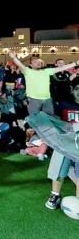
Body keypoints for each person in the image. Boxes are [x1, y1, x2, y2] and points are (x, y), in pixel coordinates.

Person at [44, 77, 79, 210]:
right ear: (72, 90)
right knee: (58, 168)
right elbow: (56, 122)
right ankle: (55, 194)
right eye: (77, 89)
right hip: (65, 143)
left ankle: (77, 200)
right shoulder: (64, 103)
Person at [8, 51, 79, 115]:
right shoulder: (28, 71)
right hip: (33, 100)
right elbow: (20, 65)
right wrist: (14, 58)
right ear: (31, 65)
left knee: (49, 118)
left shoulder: (46, 71)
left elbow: (61, 68)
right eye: (35, 62)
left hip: (47, 100)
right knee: (34, 118)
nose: (38, 63)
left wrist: (75, 63)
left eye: (39, 62)